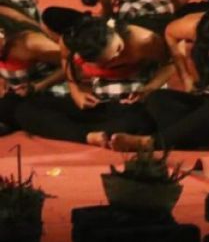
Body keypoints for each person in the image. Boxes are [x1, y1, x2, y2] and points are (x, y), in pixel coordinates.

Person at [108, 8, 209, 151]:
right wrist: (186, 77)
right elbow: (170, 33)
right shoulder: (196, 26)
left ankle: (151, 142)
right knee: (158, 98)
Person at [16, 15, 167, 146]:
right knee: (24, 109)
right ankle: (88, 135)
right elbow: (66, 61)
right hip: (98, 102)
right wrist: (76, 93)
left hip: (131, 106)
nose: (116, 57)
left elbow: (171, 64)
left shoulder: (143, 40)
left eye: (119, 49)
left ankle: (83, 134)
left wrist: (151, 87)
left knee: (137, 124)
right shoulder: (70, 42)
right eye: (107, 61)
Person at [0, 12, 65, 134]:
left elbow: (73, 65)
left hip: (47, 93)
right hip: (17, 96)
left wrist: (39, 85)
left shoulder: (30, 43)